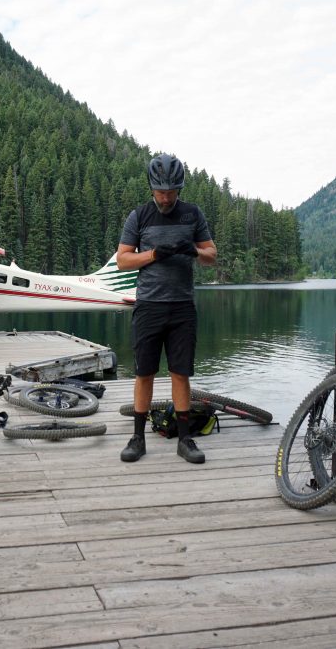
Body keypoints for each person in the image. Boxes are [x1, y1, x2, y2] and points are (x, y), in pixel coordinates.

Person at [116, 154, 217, 464]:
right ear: (151, 188)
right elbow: (122, 260)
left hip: (182, 306)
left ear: (179, 188)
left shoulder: (192, 214)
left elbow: (211, 254)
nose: (166, 197)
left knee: (180, 373)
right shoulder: (140, 216)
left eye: (171, 191)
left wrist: (195, 250)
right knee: (144, 373)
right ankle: (137, 438)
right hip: (149, 305)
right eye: (160, 191)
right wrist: (155, 254)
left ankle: (185, 440)